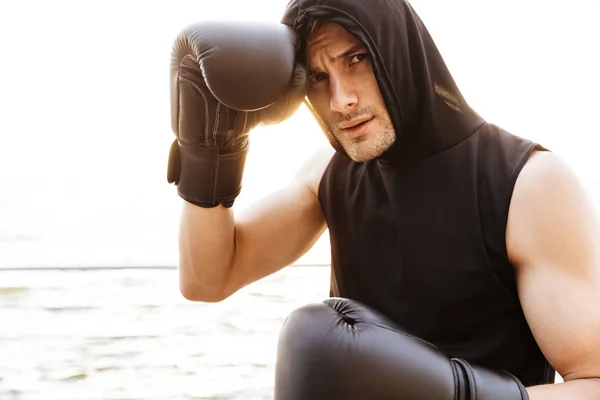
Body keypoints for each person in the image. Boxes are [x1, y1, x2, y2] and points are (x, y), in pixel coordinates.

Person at [166, 0, 600, 398]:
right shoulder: (329, 173)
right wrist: (208, 149)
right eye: (318, 78)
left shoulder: (528, 182)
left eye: (357, 58)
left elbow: (592, 383)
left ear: (399, 51)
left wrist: (455, 393)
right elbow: (208, 279)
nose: (341, 100)